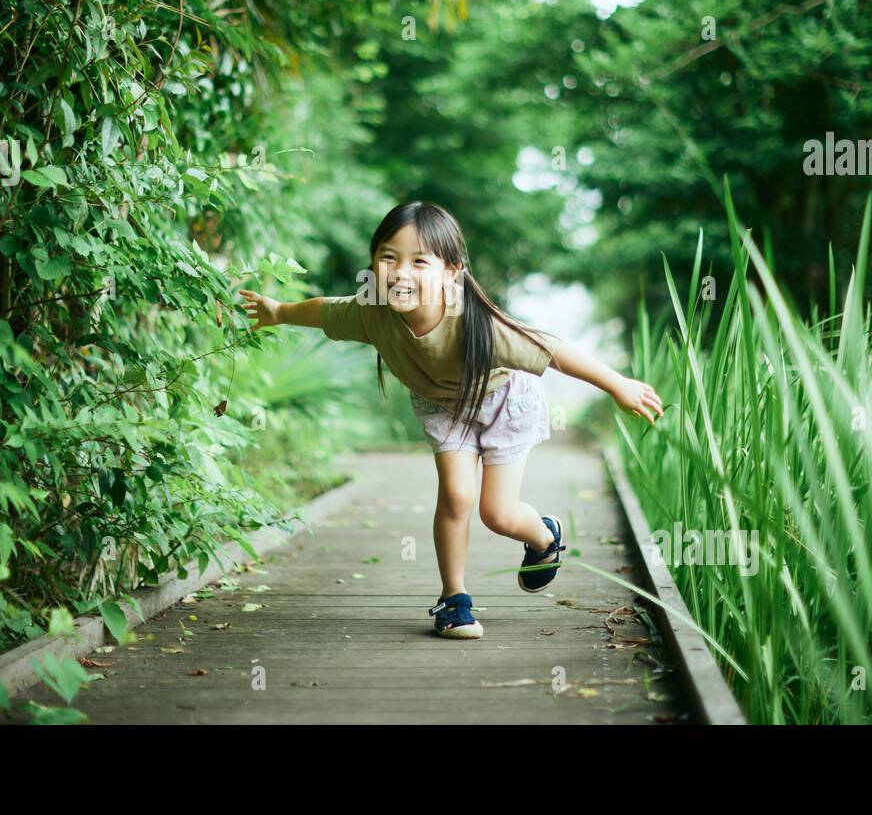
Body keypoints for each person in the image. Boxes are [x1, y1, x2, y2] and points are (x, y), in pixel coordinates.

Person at [237, 201, 663, 639]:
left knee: (497, 514)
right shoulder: (371, 312)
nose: (401, 272)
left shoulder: (479, 324)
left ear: (451, 271)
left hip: (503, 402)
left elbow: (551, 350)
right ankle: (453, 599)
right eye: (388, 258)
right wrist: (278, 311)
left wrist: (616, 384)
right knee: (456, 497)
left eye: (419, 261)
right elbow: (325, 309)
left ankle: (543, 537)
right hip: (443, 406)